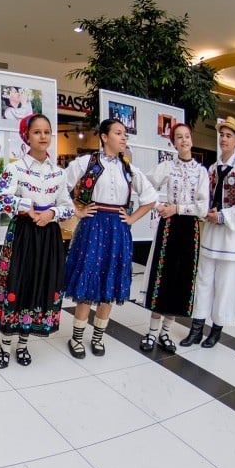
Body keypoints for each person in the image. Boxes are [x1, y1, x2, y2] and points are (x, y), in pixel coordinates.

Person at [64, 119, 157, 357]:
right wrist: (78, 210)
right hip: (92, 225)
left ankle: (98, 337)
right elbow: (59, 187)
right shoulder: (87, 162)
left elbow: (150, 198)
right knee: (88, 279)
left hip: (118, 229)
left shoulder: (129, 168)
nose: (124, 138)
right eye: (118, 133)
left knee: (109, 281)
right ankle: (76, 337)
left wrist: (132, 218)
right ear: (104, 137)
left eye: (125, 134)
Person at [0, 114, 74, 368]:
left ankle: (23, 343)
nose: (43, 136)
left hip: (47, 235)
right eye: (36, 132)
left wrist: (52, 213)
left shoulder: (58, 173)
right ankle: (5, 345)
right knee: (17, 283)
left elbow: (68, 207)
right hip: (22, 234)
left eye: (47, 132)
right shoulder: (14, 169)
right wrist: (26, 207)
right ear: (26, 136)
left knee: (39, 285)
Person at [182, 117, 235, 348]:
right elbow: (201, 198)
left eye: (229, 136)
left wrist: (220, 216)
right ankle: (196, 328)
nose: (223, 139)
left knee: (225, 285)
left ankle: (217, 330)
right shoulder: (211, 169)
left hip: (230, 239)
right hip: (210, 234)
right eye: (222, 135)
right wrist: (205, 212)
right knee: (203, 281)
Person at [138, 123, 209, 353]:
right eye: (179, 137)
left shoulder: (201, 171)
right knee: (163, 278)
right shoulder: (168, 166)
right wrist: (159, 205)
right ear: (173, 142)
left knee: (181, 280)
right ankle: (151, 332)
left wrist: (176, 208)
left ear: (191, 139)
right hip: (168, 227)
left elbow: (202, 207)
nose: (184, 140)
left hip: (190, 230)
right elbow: (145, 185)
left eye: (187, 136)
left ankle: (166, 333)